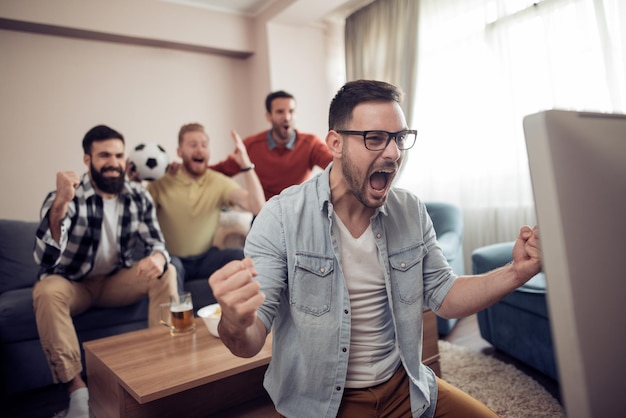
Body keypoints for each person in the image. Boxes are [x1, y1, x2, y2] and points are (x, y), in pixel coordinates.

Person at [208, 80, 542, 418]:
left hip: (406, 388)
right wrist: (235, 322)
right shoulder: (280, 218)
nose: (394, 153)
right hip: (326, 405)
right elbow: (249, 342)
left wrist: (517, 271)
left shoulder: (410, 209)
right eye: (375, 138)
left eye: (399, 138)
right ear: (335, 144)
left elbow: (445, 294)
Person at [33, 125, 178, 418]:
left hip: (115, 282)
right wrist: (60, 203)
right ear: (87, 160)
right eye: (104, 155)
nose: (113, 162)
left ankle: (166, 368)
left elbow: (157, 244)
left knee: (168, 271)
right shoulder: (66, 196)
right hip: (75, 285)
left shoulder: (138, 195)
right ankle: (77, 394)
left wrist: (159, 260)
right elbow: (45, 258)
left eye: (118, 155)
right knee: (45, 290)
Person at [146, 123, 265, 298]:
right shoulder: (162, 181)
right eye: (193, 145)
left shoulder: (217, 181)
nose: (200, 150)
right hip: (173, 258)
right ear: (179, 152)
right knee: (171, 268)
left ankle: (239, 316)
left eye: (204, 145)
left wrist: (245, 164)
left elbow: (258, 207)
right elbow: (141, 211)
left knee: (242, 257)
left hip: (206, 257)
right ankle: (178, 322)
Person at [210, 90, 333, 200]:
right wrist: (192, 168)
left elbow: (335, 166)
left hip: (299, 211)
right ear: (268, 116)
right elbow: (220, 172)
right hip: (265, 211)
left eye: (291, 111)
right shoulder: (251, 145)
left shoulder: (310, 143)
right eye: (280, 112)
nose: (287, 117)